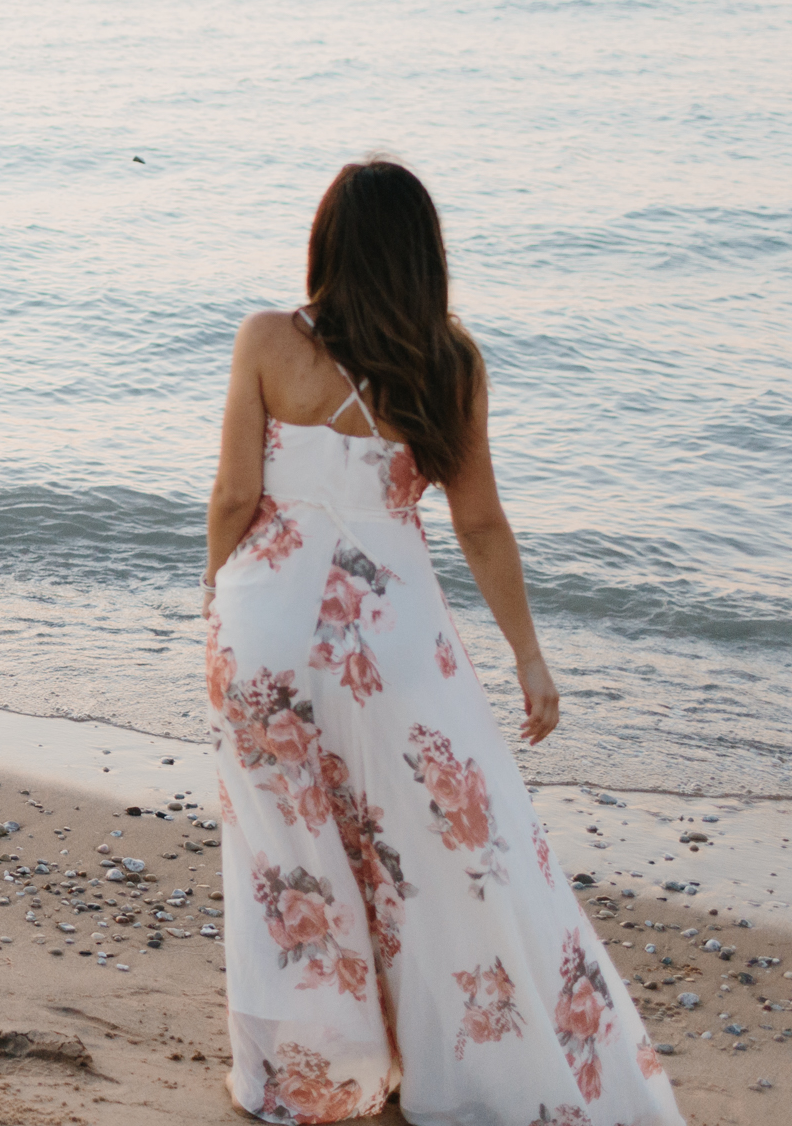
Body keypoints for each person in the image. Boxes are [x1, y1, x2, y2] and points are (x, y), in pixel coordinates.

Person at [202, 161, 680, 1126]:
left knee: (289, 854)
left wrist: (218, 596)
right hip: (391, 647)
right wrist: (528, 657)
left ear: (326, 242)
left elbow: (234, 499)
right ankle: (466, 1070)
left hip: (264, 631)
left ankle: (305, 1079)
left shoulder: (265, 340)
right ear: (424, 255)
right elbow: (483, 524)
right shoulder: (449, 364)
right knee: (442, 857)